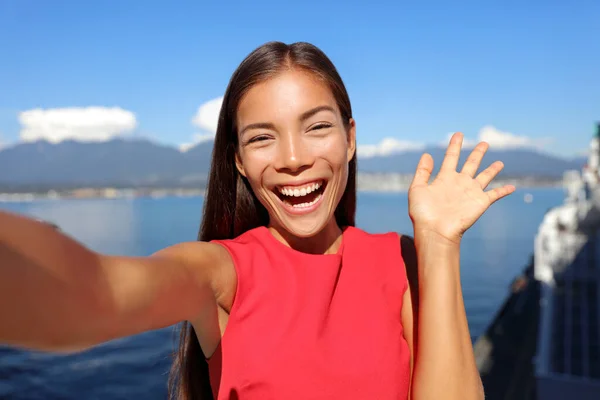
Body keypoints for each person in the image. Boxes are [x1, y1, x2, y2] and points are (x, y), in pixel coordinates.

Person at [0, 41, 515, 400]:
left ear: (351, 138)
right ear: (239, 162)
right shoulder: (219, 274)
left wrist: (438, 243)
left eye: (316, 127)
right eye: (262, 137)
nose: (293, 158)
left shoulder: (401, 258)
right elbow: (95, 293)